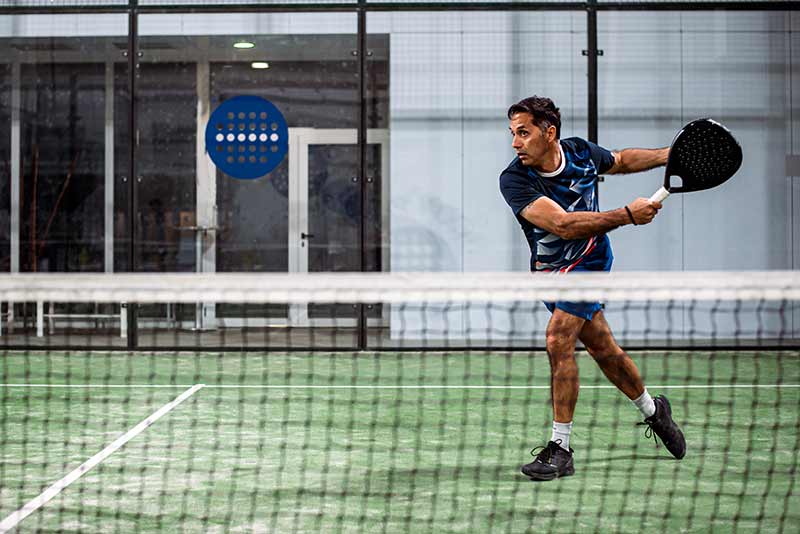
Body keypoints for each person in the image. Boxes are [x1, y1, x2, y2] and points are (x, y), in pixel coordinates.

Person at [499, 96, 686, 481]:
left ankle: (560, 448)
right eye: (513, 134)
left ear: (549, 133)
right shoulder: (515, 179)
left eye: (523, 132)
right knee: (604, 348)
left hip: (590, 263)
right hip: (550, 273)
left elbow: (619, 161)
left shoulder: (580, 153)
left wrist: (669, 155)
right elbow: (563, 225)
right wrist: (627, 216)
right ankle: (654, 410)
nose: (515, 142)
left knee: (558, 338)